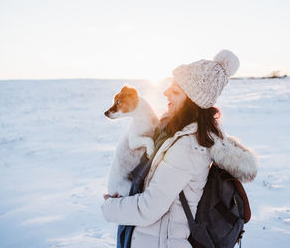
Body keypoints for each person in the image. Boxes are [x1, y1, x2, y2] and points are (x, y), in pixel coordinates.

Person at [102, 49, 258, 248]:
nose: (166, 92)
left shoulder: (189, 147)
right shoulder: (175, 134)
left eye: (175, 91)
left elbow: (149, 208)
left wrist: (110, 207)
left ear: (193, 102)